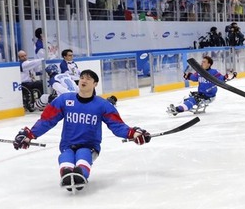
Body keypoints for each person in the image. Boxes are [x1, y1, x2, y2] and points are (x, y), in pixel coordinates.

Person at [12, 69, 151, 192]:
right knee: (66, 157)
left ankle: (80, 174)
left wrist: (134, 133)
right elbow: (47, 120)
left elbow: (117, 126)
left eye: (88, 79)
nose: (84, 80)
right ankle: (67, 174)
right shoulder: (65, 100)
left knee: (83, 154)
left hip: (90, 146)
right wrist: (29, 134)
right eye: (82, 78)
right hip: (67, 144)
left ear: (95, 84)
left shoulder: (103, 105)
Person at [168, 56, 234, 115]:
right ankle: (181, 107)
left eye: (204, 62)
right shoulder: (200, 72)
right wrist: (187, 76)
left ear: (209, 64)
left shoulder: (214, 72)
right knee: (188, 99)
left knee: (193, 100)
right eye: (202, 62)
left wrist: (228, 76)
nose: (202, 63)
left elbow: (221, 79)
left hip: (209, 96)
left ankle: (177, 109)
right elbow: (194, 77)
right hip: (201, 94)